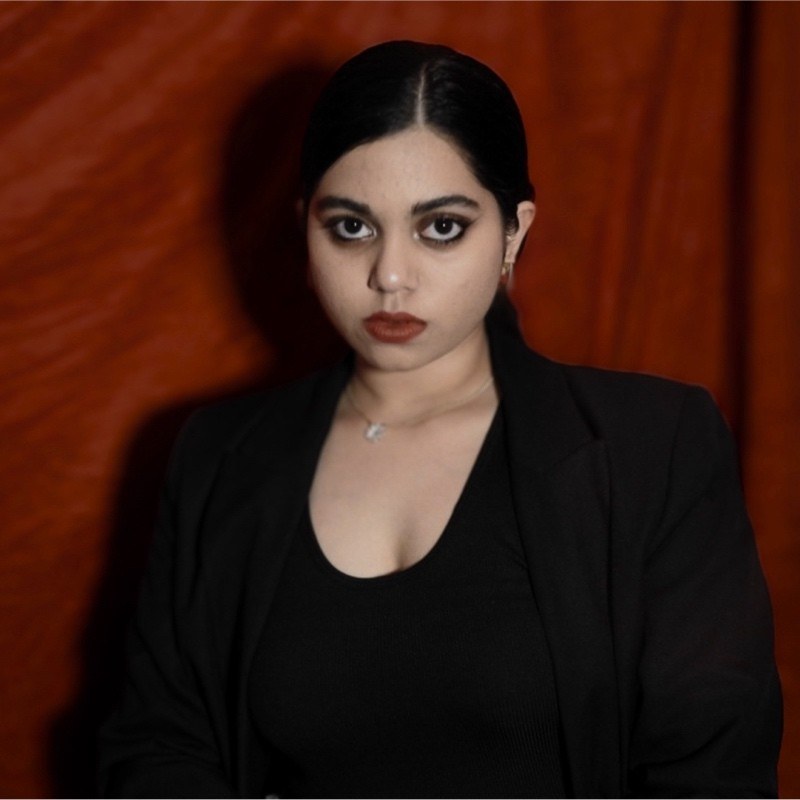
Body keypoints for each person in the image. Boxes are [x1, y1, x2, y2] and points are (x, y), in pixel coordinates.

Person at [98, 41, 781, 798]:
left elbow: (714, 768)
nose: (390, 274)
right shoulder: (219, 456)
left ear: (513, 232)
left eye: (442, 227)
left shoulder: (654, 446)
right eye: (351, 226)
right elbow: (161, 744)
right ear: (305, 228)